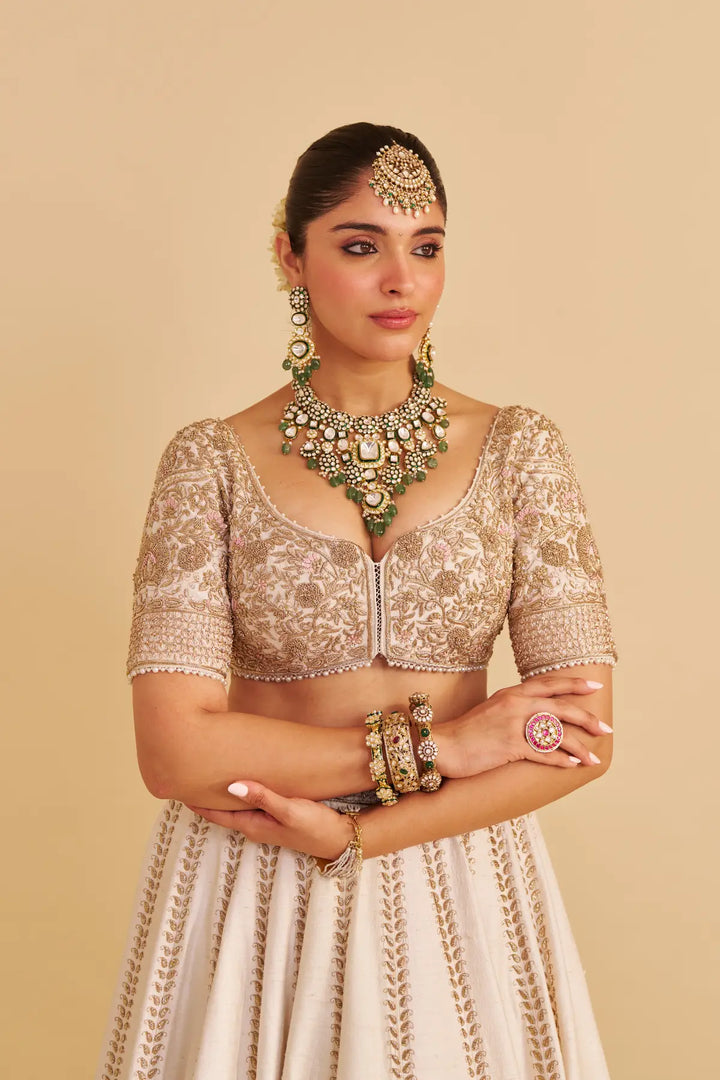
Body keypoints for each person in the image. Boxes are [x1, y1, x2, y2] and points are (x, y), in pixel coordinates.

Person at [96, 122, 619, 1080]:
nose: (401, 280)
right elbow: (173, 752)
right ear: (290, 257)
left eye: (426, 246)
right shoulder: (210, 462)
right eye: (360, 245)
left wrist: (357, 835)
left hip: (459, 875)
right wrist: (444, 747)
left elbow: (579, 736)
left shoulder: (520, 452)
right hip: (253, 878)